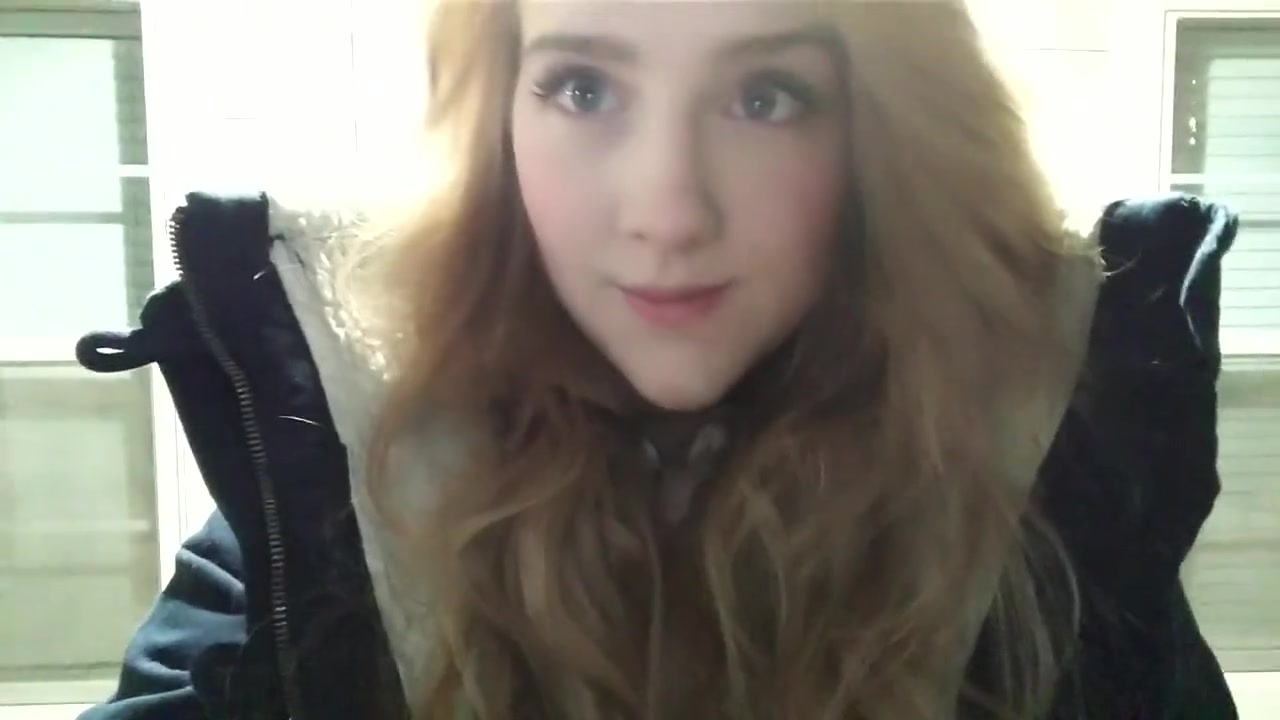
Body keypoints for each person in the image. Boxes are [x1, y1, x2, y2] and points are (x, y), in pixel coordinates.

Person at [74, 0, 1240, 718]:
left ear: (879, 135)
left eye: (765, 96)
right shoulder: (328, 485)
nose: (667, 211)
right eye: (583, 87)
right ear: (496, 125)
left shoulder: (1051, 505)